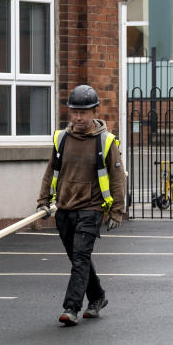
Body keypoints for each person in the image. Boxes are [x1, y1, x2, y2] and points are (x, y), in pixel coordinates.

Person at [37, 84, 126, 326]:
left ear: (95, 111)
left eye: (83, 112)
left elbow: (118, 177)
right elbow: (50, 171)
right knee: (78, 258)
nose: (78, 117)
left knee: (80, 257)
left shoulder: (106, 142)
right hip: (65, 208)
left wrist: (117, 211)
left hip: (92, 208)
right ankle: (97, 297)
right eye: (74, 112)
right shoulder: (62, 138)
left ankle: (71, 308)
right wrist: (43, 200)